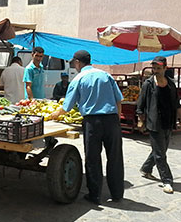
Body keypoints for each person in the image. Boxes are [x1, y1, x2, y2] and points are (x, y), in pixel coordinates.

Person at [51, 50, 124, 204]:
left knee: (92, 158)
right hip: (112, 121)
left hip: (93, 122)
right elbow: (119, 100)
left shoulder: (78, 79)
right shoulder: (106, 75)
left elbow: (67, 106)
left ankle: (95, 195)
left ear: (78, 62)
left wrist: (54, 115)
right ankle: (117, 194)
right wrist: (116, 120)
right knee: (115, 158)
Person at [137, 56, 181, 194]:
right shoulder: (148, 84)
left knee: (160, 151)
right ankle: (167, 181)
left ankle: (146, 168)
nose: (156, 71)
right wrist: (140, 119)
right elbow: (141, 103)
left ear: (165, 68)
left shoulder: (170, 84)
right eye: (154, 68)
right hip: (154, 123)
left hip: (168, 122)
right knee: (161, 154)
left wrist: (179, 119)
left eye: (158, 68)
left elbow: (176, 103)